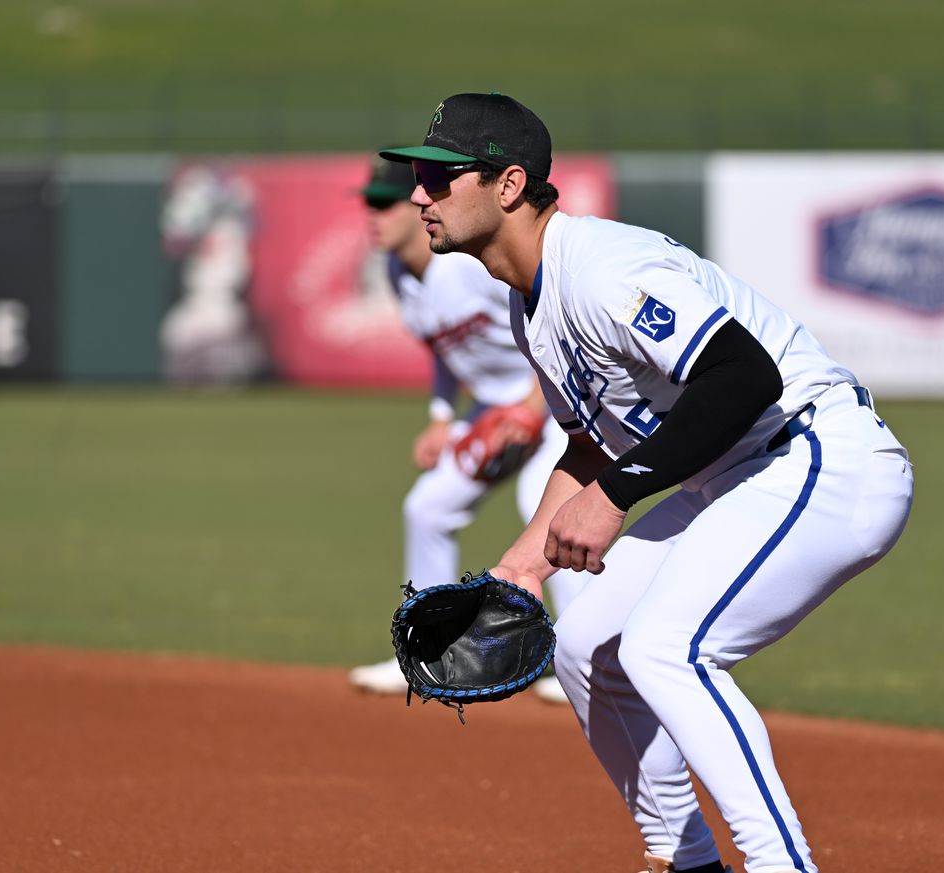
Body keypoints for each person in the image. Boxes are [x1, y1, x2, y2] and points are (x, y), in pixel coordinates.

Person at [380, 94, 914, 873]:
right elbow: (593, 447)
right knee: (587, 647)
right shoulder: (530, 307)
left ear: (506, 184)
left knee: (669, 646)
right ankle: (686, 858)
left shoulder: (602, 268)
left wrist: (616, 496)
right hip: (736, 478)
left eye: (438, 174)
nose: (418, 193)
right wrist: (518, 569)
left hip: (821, 456)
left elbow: (742, 374)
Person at [348, 155, 583, 703]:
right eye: (367, 204)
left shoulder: (466, 266)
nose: (373, 215)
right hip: (491, 413)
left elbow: (547, 324)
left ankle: (580, 660)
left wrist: (529, 406)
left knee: (546, 512)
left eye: (384, 202)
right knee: (427, 508)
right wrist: (440, 418)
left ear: (413, 205)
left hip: (550, 397)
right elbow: (444, 352)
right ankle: (427, 651)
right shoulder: (399, 274)